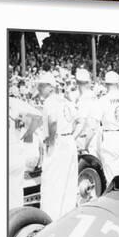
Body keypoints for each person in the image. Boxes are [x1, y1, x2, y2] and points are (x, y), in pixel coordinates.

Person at [39, 72, 79, 220]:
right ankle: (67, 217)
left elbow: (53, 121)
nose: (39, 90)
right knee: (68, 182)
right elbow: (77, 120)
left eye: (41, 86)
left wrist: (50, 139)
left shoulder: (50, 101)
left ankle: (50, 218)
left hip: (57, 142)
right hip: (68, 140)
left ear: (49, 87)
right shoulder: (65, 100)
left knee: (52, 181)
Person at [72, 68, 101, 155]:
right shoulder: (91, 95)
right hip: (94, 137)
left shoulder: (84, 98)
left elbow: (81, 123)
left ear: (76, 82)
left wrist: (71, 139)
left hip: (87, 140)